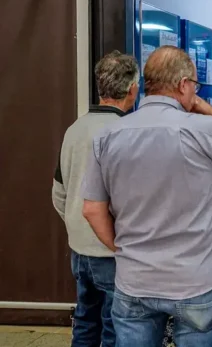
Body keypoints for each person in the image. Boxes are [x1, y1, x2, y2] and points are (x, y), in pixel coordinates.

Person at [80, 46, 212, 347]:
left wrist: (124, 250)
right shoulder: (202, 128)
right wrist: (208, 110)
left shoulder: (107, 136)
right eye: (195, 86)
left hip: (134, 280)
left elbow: (92, 210)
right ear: (183, 85)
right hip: (196, 280)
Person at [52, 52, 139, 347]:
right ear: (132, 89)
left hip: (79, 252)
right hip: (115, 253)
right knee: (116, 328)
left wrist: (79, 226)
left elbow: (59, 193)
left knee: (86, 323)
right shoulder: (128, 132)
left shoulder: (74, 130)